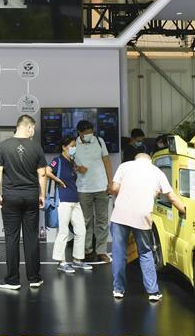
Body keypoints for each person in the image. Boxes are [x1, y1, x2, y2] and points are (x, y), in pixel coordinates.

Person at [109, 152, 186, 301]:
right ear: (150, 160)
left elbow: (115, 188)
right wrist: (184, 210)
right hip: (142, 216)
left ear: (136, 159)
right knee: (145, 252)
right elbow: (171, 197)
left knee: (119, 253)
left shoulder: (124, 166)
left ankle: (118, 289)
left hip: (120, 215)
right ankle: (153, 292)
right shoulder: (157, 171)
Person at [0, 114, 47, 290]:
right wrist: (42, 196)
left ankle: (13, 280)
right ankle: (34, 278)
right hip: (31, 197)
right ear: (28, 127)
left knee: (11, 238)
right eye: (33, 128)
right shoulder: (36, 148)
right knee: (31, 237)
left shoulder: (3, 146)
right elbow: (42, 174)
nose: (33, 132)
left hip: (10, 197)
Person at [46, 135, 92, 274]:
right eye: (72, 146)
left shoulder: (71, 162)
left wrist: (78, 168)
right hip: (63, 200)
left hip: (75, 200)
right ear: (64, 147)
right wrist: (58, 181)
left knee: (81, 230)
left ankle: (78, 260)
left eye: (75, 146)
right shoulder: (57, 160)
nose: (74, 148)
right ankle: (61, 261)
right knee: (63, 231)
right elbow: (47, 171)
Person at [74, 119, 113, 264]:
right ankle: (87, 250)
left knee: (102, 220)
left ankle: (101, 251)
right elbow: (69, 163)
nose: (90, 135)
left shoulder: (100, 141)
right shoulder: (74, 144)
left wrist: (110, 183)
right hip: (83, 188)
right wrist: (77, 168)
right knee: (85, 221)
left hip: (101, 187)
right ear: (79, 133)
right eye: (86, 133)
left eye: (91, 132)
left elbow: (107, 162)